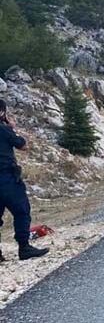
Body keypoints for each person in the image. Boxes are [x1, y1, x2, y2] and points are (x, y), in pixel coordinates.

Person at [0, 99, 49, 261]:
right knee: (21, 211)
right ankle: (24, 247)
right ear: (2, 112)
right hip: (6, 178)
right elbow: (23, 145)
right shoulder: (4, 130)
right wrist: (12, 128)